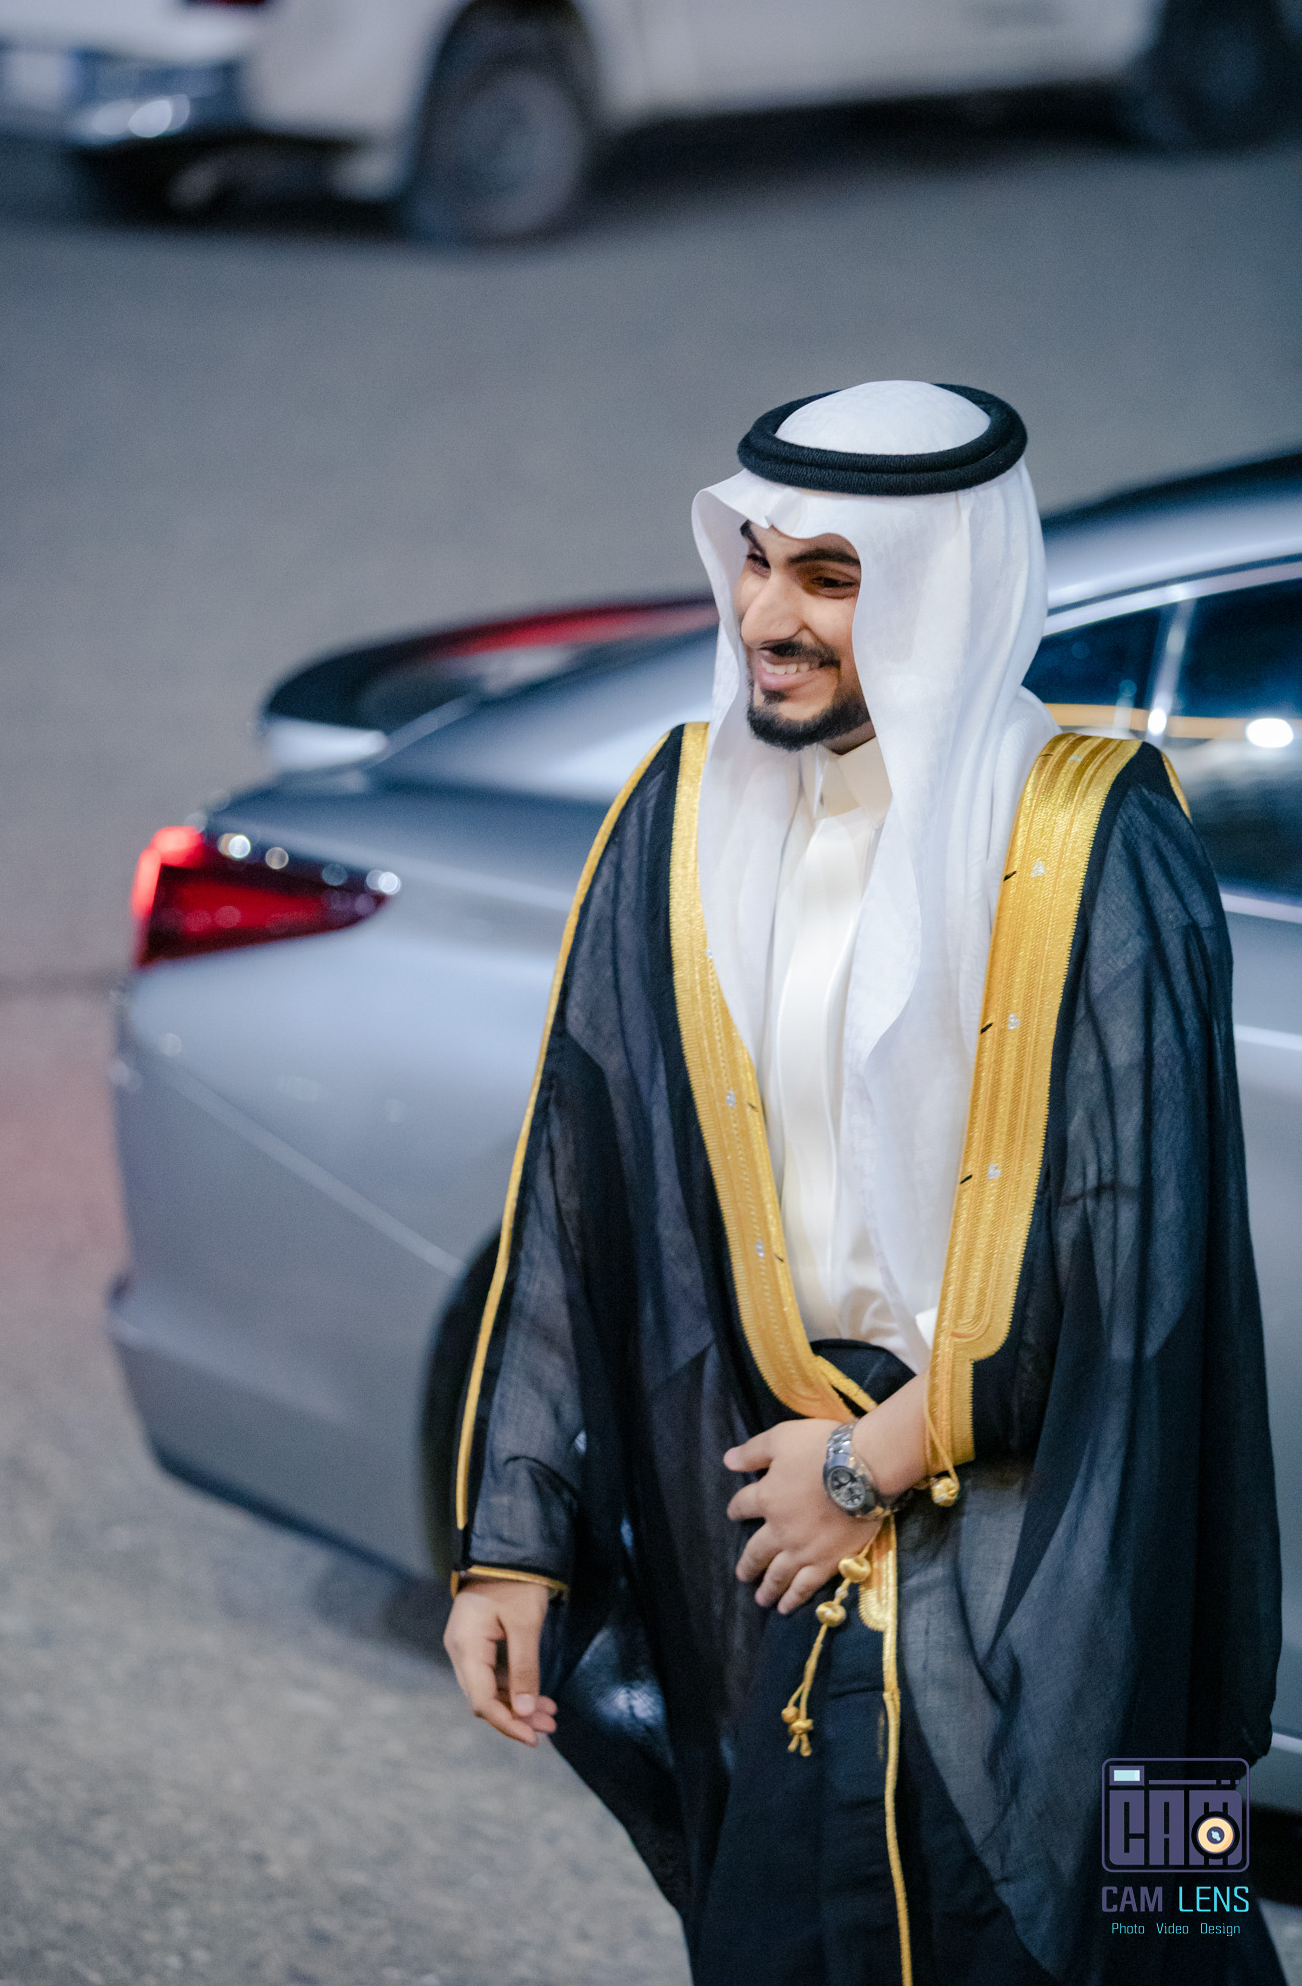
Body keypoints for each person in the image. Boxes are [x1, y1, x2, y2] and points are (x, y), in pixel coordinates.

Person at [442, 381, 1282, 1984]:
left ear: (936, 594)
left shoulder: (1093, 840)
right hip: (786, 1533)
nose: (766, 616)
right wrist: (515, 1544)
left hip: (1051, 1549)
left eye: (827, 578)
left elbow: (1134, 1262)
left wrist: (867, 1464)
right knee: (789, 1933)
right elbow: (576, 1194)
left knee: (1129, 1921)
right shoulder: (677, 820)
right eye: (756, 561)